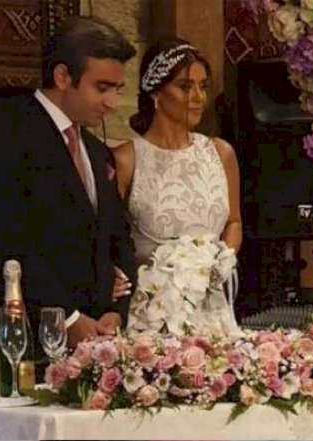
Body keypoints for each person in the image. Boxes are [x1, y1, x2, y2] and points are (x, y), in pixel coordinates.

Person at [0, 16, 138, 381]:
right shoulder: (2, 131)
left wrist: (116, 311)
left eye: (118, 89)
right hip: (23, 347)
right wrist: (65, 318)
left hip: (92, 351)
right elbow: (1, 238)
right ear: (63, 77)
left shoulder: (95, 151)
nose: (113, 103)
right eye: (102, 88)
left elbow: (119, 240)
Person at [111, 37, 242, 334]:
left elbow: (234, 221)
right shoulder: (126, 160)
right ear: (156, 92)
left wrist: (222, 260)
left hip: (214, 312)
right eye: (185, 87)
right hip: (153, 316)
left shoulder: (220, 153)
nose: (198, 97)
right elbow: (109, 240)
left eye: (203, 86)